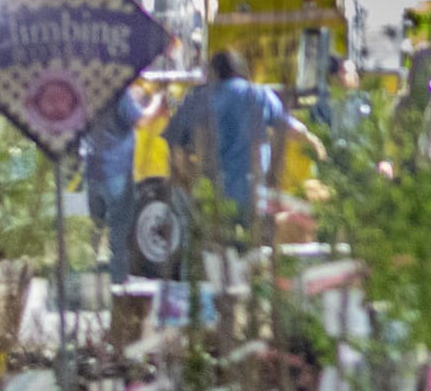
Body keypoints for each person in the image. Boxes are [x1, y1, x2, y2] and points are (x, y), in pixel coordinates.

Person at [163, 49, 325, 232]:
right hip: (253, 192)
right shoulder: (258, 94)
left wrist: (187, 175)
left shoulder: (196, 99)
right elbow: (291, 128)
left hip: (211, 193)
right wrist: (314, 142)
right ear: (240, 70)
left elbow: (174, 142)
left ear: (211, 73)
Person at [83, 80, 162, 285]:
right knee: (118, 230)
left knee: (95, 225)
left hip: (92, 170)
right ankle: (118, 284)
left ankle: (91, 277)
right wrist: (157, 100)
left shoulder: (88, 90)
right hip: (116, 170)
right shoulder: (118, 92)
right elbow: (142, 120)